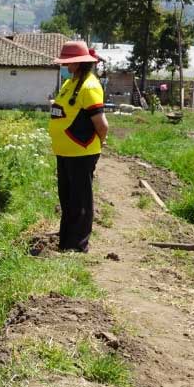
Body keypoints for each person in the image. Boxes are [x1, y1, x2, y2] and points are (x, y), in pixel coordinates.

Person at [48, 41, 109, 253]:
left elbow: (101, 124)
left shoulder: (90, 87)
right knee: (67, 199)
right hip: (65, 152)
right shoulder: (70, 83)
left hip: (81, 152)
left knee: (80, 201)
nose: (66, 65)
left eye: (69, 62)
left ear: (80, 63)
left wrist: (100, 142)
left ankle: (78, 247)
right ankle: (66, 243)